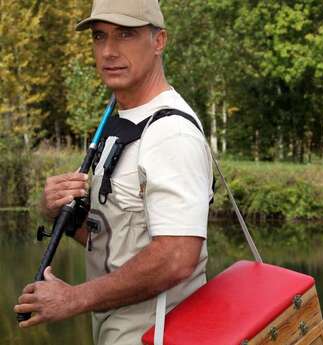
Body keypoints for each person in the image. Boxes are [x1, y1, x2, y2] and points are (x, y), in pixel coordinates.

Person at [14, 1, 213, 344]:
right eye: (99, 36)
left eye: (125, 35)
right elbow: (115, 242)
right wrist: (60, 211)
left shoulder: (171, 134)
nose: (108, 51)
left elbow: (178, 256)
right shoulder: (123, 121)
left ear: (159, 41)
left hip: (160, 336)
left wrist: (76, 298)